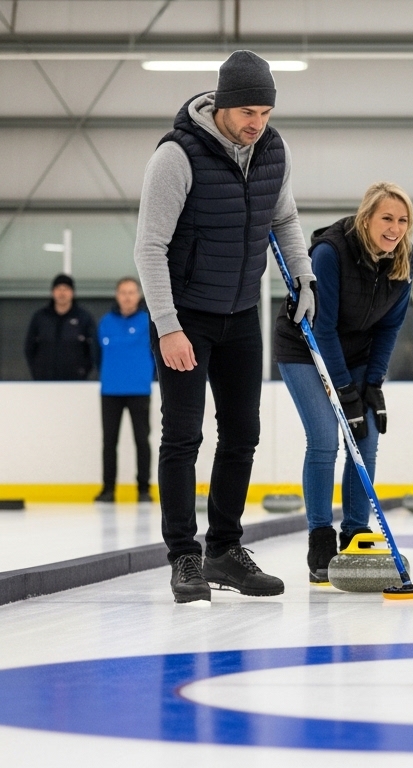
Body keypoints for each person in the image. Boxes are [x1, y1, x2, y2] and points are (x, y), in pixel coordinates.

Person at [134, 50, 316, 603]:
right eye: (247, 111)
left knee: (242, 435)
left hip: (240, 314)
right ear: (223, 105)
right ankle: (185, 557)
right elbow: (149, 248)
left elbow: (281, 218)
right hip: (184, 316)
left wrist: (303, 278)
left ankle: (224, 551)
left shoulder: (272, 151)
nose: (256, 122)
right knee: (183, 436)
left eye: (264, 111)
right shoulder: (177, 155)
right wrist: (167, 325)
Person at [274, 182, 413, 585]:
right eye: (386, 218)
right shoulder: (330, 253)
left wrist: (372, 385)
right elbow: (326, 325)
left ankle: (355, 532)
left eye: (402, 220)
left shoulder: (404, 258)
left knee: (364, 434)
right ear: (366, 217)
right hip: (307, 345)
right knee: (325, 438)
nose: (395, 228)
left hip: (358, 355)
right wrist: (345, 393)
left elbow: (390, 327)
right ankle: (320, 536)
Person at [94, 277, 155, 503]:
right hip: (110, 390)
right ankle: (108, 489)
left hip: (139, 390)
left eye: (131, 292)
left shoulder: (148, 322)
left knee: (142, 439)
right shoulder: (105, 323)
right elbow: (96, 355)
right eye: (123, 292)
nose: (127, 296)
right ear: (116, 295)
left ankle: (143, 489)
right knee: (109, 441)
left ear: (138, 295)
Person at [25, 273, 96, 381]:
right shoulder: (40, 317)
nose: (62, 293)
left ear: (72, 292)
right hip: (44, 380)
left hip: (75, 381)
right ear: (52, 292)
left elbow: (93, 349)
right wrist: (37, 370)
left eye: (66, 289)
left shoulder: (84, 318)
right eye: (58, 288)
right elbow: (29, 347)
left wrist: (83, 371)